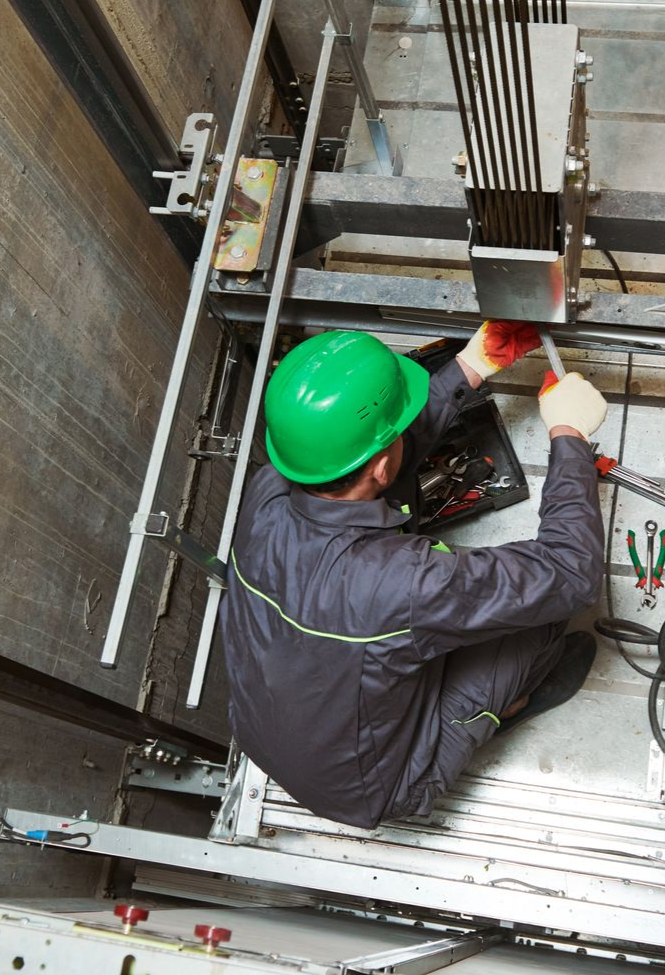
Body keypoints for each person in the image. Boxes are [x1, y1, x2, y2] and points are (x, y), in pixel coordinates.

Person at [222, 321, 609, 829]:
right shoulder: (399, 581)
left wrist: (472, 366)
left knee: (419, 576)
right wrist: (569, 435)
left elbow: (373, 459)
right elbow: (571, 572)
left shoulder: (271, 486)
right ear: (381, 465)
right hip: (376, 788)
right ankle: (512, 703)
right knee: (541, 614)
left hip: (263, 733)